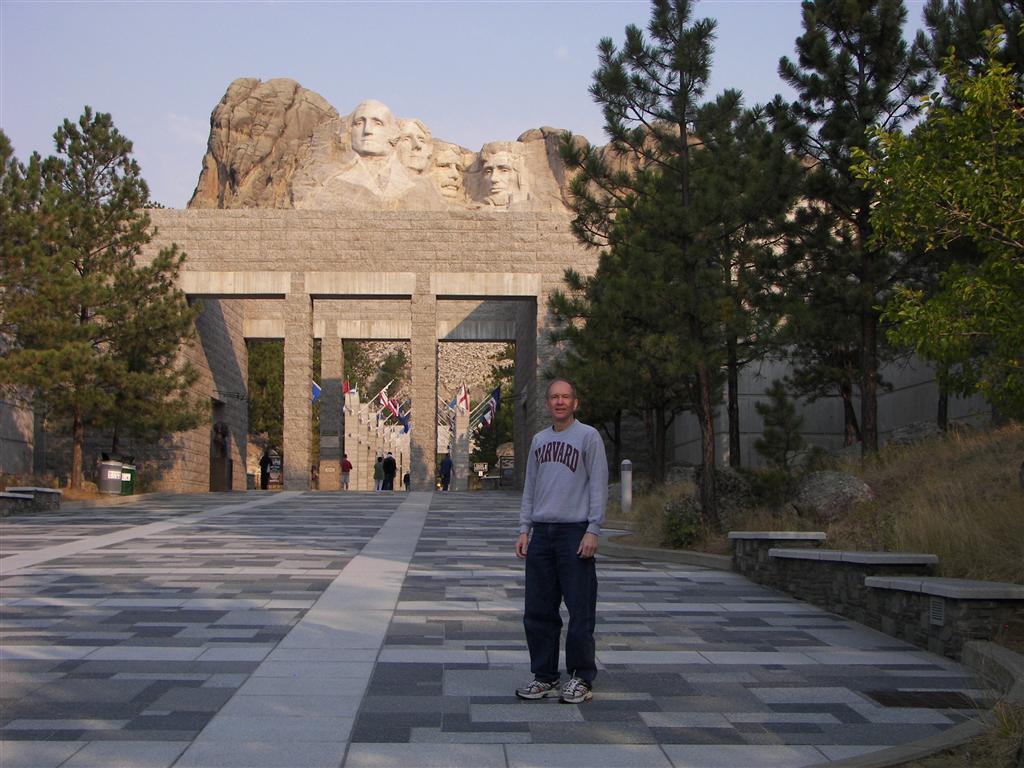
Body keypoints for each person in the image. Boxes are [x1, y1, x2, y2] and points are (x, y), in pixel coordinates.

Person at [515, 378, 608, 704]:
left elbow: (598, 485)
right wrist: (524, 529)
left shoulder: (588, 437)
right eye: (554, 397)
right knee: (537, 610)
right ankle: (545, 676)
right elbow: (530, 487)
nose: (559, 402)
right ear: (547, 403)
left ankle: (581, 677)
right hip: (542, 533)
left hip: (574, 533)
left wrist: (593, 529)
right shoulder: (539, 441)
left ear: (575, 403)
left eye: (565, 397)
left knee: (580, 610)